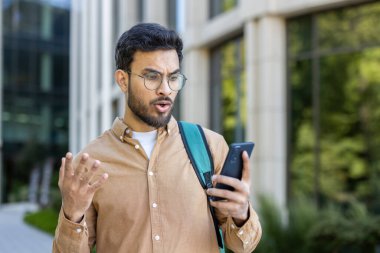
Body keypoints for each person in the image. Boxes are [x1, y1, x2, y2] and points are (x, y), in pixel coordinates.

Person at [53, 23, 261, 253]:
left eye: (173, 78)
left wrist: (242, 214)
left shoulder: (209, 146)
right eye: (152, 77)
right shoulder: (91, 161)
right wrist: (72, 213)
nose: (165, 89)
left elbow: (243, 247)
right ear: (123, 80)